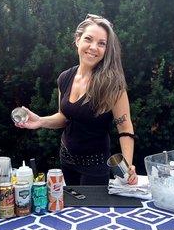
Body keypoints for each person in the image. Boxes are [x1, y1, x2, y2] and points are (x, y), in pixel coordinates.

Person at [15, 14, 137, 185]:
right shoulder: (65, 78)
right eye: (88, 39)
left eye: (101, 43)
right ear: (78, 40)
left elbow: (124, 127)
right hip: (66, 160)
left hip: (95, 166)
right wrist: (40, 121)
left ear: (106, 49)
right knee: (71, 210)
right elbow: (64, 118)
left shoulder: (112, 85)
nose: (94, 47)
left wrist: (128, 165)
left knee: (92, 211)